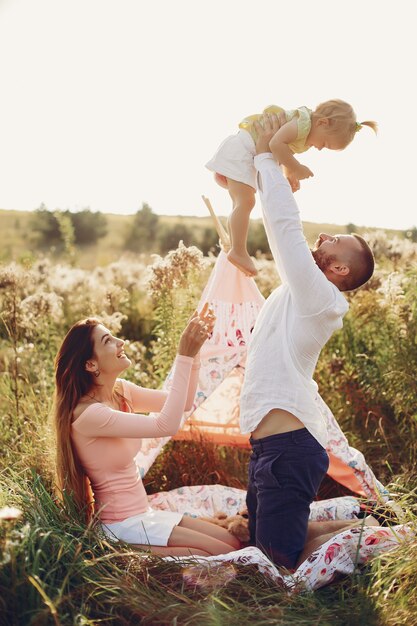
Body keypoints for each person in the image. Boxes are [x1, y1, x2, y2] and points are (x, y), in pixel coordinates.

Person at [239, 113, 376, 571]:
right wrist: (256, 173)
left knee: (271, 566)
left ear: (339, 271)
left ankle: (378, 537)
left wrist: (266, 154)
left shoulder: (321, 298)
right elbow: (276, 229)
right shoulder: (295, 293)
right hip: (270, 451)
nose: (323, 237)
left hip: (287, 451)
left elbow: (284, 230)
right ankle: (371, 528)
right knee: (265, 546)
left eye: (333, 241)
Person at [53, 305, 241, 557]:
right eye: (108, 340)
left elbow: (184, 402)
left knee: (232, 542)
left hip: (144, 514)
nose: (121, 342)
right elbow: (166, 425)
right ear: (90, 364)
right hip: (121, 527)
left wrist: (194, 354)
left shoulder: (120, 391)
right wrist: (182, 356)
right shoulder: (88, 415)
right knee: (219, 553)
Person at [206, 100, 377, 277]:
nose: (319, 149)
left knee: (241, 203)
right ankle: (238, 250)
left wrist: (289, 174)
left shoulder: (303, 132)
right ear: (322, 122)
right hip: (242, 150)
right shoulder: (302, 124)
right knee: (245, 202)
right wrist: (296, 167)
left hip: (246, 154)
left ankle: (235, 247)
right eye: (325, 143)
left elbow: (283, 150)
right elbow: (275, 144)